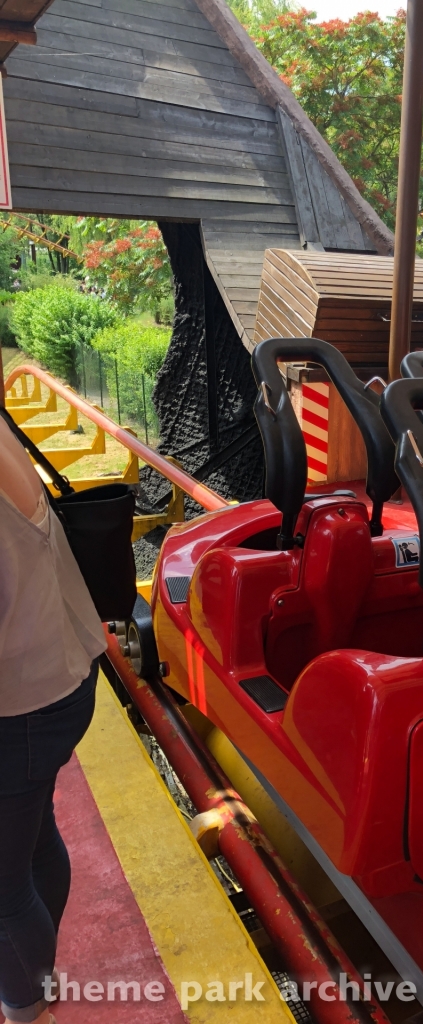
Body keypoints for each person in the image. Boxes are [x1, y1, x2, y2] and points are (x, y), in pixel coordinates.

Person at [0, 410, 106, 1024]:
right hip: (60, 671)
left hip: (18, 704)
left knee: (2, 890)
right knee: (34, 836)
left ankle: (27, 1008)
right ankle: (36, 976)